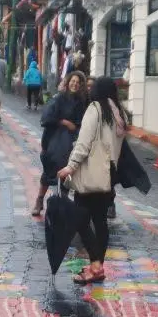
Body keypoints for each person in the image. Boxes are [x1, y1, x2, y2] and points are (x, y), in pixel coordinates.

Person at [58, 77, 127, 285]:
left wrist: (70, 166)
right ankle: (98, 267)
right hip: (108, 176)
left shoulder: (95, 109)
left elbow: (83, 143)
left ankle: (96, 265)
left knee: (79, 219)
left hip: (91, 175)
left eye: (92, 87)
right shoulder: (118, 113)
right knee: (100, 221)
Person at [34, 71, 87, 217]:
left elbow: (82, 122)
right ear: (68, 81)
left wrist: (75, 127)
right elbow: (47, 118)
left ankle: (61, 205)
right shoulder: (58, 98)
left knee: (66, 174)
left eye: (78, 82)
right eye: (73, 81)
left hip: (70, 144)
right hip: (53, 142)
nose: (75, 84)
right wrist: (64, 122)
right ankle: (39, 201)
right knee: (48, 172)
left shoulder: (81, 102)